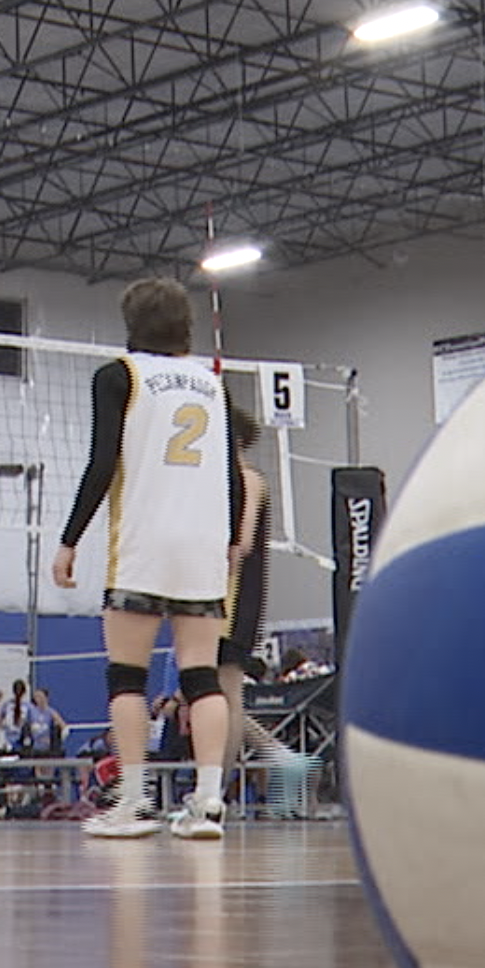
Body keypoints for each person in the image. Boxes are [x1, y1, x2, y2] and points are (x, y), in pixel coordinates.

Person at [52, 278, 243, 841]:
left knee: (127, 676)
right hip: (203, 545)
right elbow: (231, 476)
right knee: (202, 675)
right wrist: (230, 542)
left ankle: (132, 803)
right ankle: (209, 803)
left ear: (131, 323)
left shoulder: (119, 376)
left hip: (143, 541)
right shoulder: (214, 386)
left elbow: (102, 462)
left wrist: (69, 539)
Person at [213, 402, 318, 818]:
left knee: (227, 698)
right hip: (218, 599)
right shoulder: (223, 482)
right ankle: (280, 756)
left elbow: (241, 544)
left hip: (233, 599)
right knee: (211, 696)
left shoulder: (249, 480)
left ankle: (214, 794)